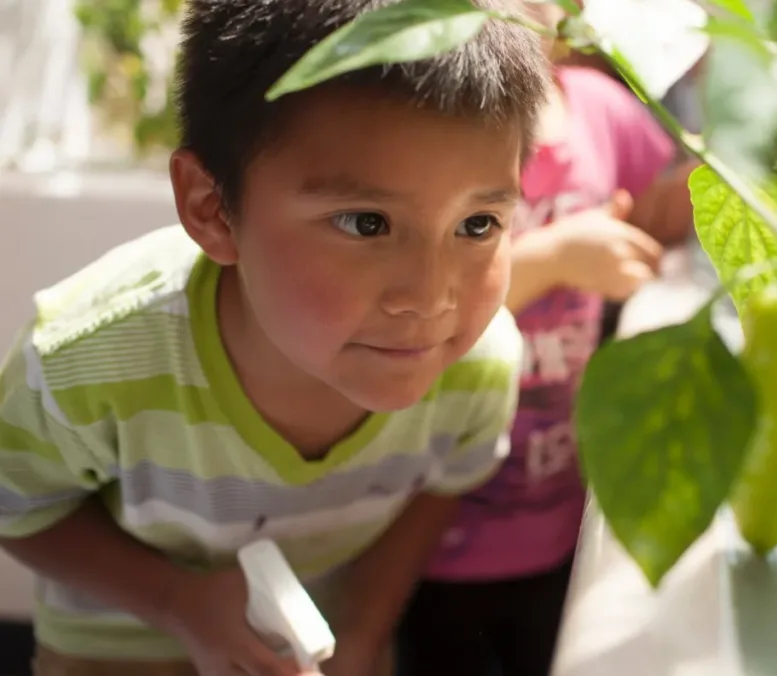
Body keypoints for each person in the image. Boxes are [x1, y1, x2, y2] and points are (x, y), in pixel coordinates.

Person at [0, 1, 550, 674]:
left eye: (478, 224)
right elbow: (17, 506)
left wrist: (363, 633)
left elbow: (440, 484)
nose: (430, 298)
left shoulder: (478, 366)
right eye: (366, 224)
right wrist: (179, 602)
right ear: (212, 209)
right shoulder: (85, 360)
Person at [399, 3, 702, 675]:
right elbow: (418, 303)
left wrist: (730, 110)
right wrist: (558, 257)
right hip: (434, 531)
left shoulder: (599, 111)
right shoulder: (435, 123)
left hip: (560, 514)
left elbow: (668, 207)